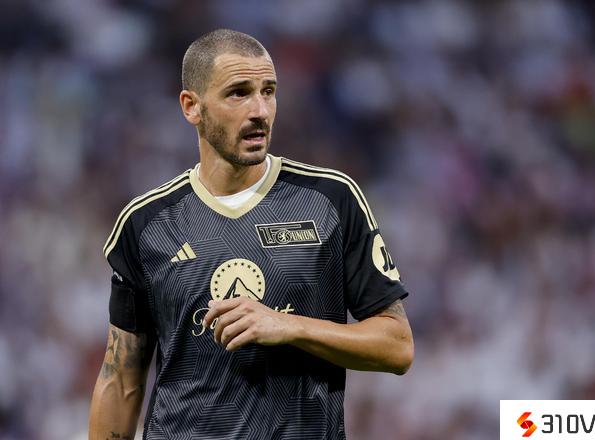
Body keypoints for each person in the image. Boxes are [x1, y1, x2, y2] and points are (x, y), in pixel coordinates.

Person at [88, 28, 413, 440]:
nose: (260, 110)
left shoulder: (330, 199)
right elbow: (121, 379)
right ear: (191, 106)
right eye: (238, 93)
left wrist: (290, 326)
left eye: (268, 91)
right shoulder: (146, 222)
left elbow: (397, 346)